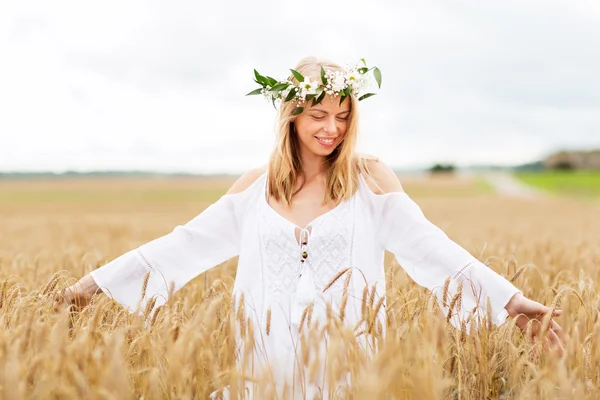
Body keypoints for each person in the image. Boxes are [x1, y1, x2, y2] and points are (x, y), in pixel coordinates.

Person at [56, 56, 566, 398]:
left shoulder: (370, 180)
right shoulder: (255, 189)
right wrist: (90, 286)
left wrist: (508, 299)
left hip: (348, 373)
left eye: (343, 116)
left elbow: (430, 247)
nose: (332, 129)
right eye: (319, 115)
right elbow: (180, 247)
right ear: (292, 117)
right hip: (265, 373)